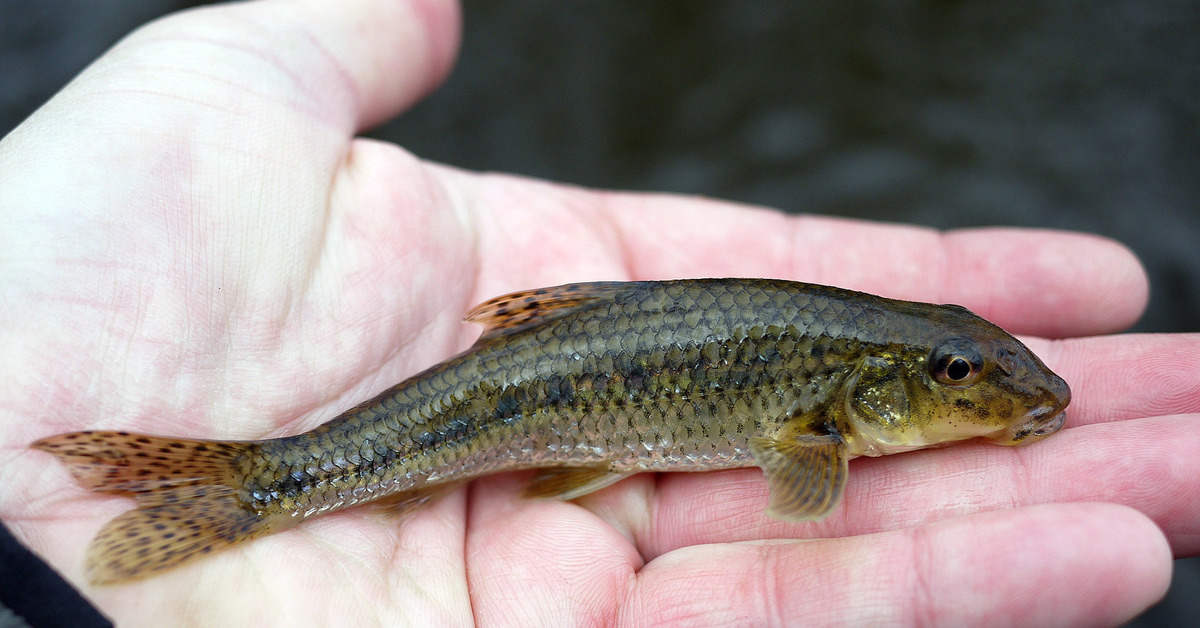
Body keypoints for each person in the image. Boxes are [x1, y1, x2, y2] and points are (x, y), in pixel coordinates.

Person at [0, 1, 1195, 625]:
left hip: (550, 394)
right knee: (310, 468)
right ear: (872, 393)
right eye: (956, 373)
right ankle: (266, 483)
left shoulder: (859, 378)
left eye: (968, 371)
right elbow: (803, 492)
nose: (987, 389)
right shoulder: (820, 430)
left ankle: (262, 481)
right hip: (516, 402)